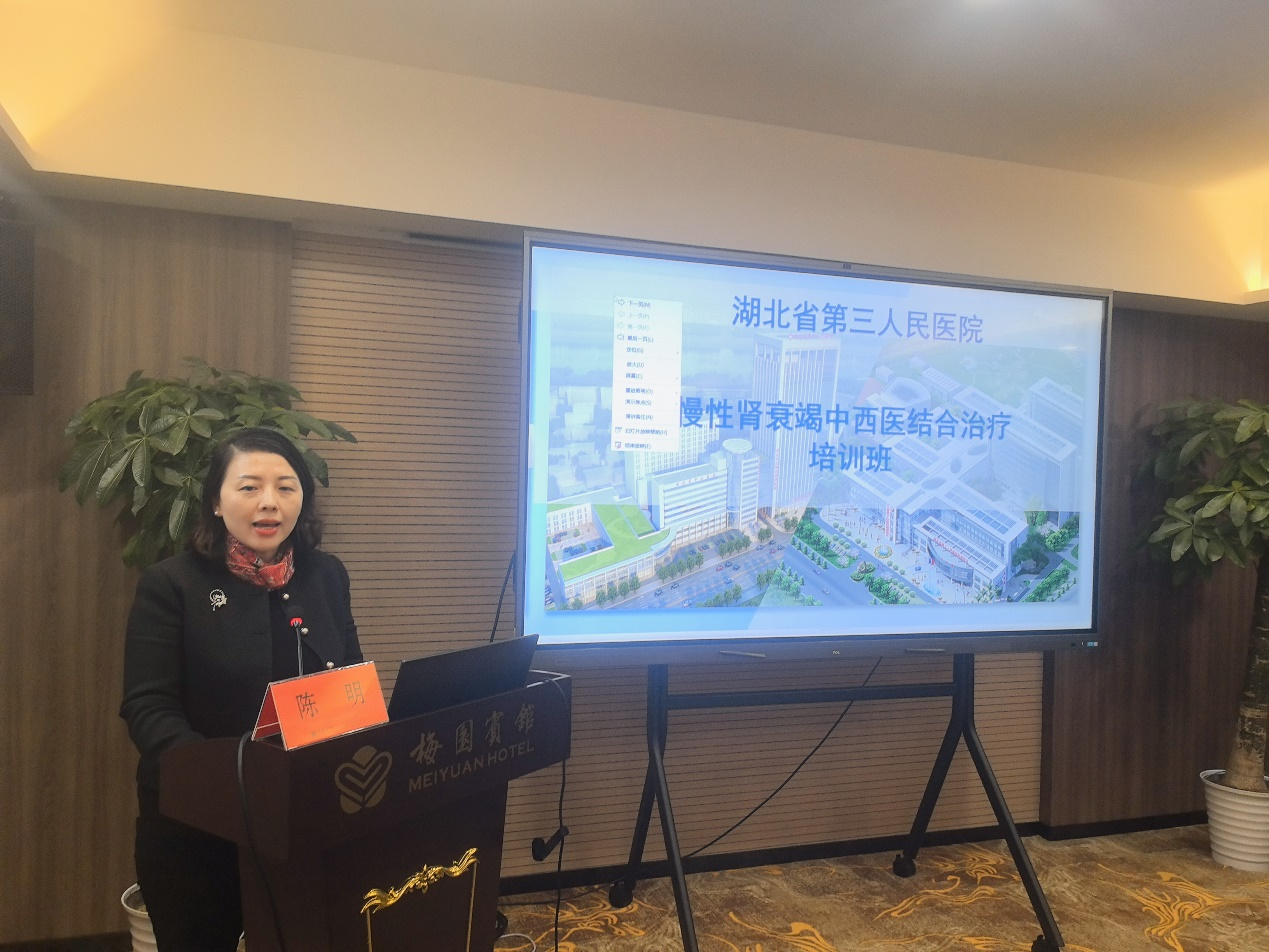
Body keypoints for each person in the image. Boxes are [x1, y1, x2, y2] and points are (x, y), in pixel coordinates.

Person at [120, 427, 363, 951]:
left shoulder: (326, 575)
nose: (269, 502)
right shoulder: (172, 584)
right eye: (249, 487)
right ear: (216, 500)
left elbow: (348, 681)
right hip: (199, 826)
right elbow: (148, 706)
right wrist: (218, 783)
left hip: (306, 814)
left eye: (286, 487)